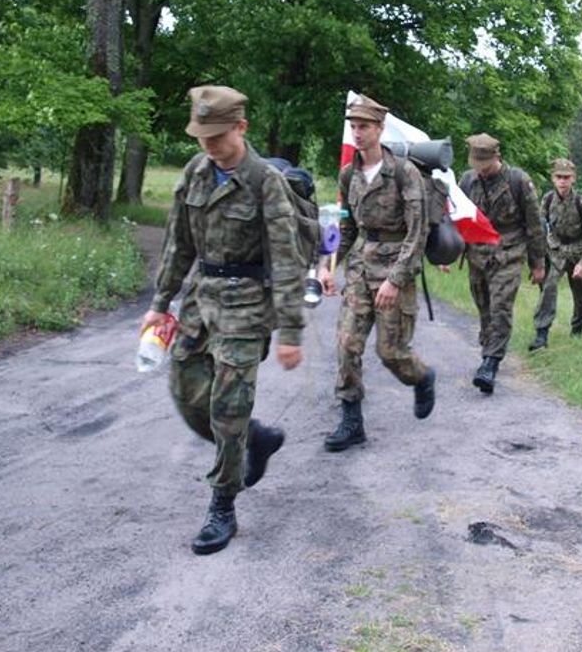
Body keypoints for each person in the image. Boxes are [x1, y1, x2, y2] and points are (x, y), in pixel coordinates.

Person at [142, 85, 304, 556]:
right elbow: (178, 245)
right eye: (201, 135)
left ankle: (222, 505)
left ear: (241, 128)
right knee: (185, 390)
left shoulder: (264, 182)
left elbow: (288, 261)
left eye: (216, 136)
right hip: (200, 299)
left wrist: (291, 331)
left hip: (247, 306)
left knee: (228, 409)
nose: (208, 145)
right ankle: (256, 438)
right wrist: (161, 302)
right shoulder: (195, 173)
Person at [317, 94, 437, 451]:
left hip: (395, 266)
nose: (357, 133)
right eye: (353, 126)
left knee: (390, 352)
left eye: (364, 126)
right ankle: (351, 420)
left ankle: (421, 377)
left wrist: (395, 280)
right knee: (346, 344)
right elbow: (345, 227)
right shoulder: (348, 174)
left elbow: (418, 232)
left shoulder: (403, 172)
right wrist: (326, 263)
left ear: (380, 129)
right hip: (360, 267)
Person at [458, 133, 546, 393]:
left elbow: (534, 225)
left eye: (484, 164)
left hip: (508, 251)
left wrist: (538, 262)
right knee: (484, 307)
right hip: (477, 255)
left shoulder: (518, 181)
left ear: (497, 157)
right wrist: (450, 252)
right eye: (476, 164)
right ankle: (489, 348)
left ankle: (491, 363)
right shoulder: (467, 180)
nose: (480, 170)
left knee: (501, 307)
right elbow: (460, 218)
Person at [528, 158, 582, 351]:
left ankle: (577, 329)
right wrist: (537, 257)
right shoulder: (548, 199)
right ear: (553, 178)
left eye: (566, 177)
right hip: (557, 250)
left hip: (579, 250)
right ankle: (541, 334)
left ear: (573, 179)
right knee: (549, 288)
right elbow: (539, 227)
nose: (563, 181)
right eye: (559, 177)